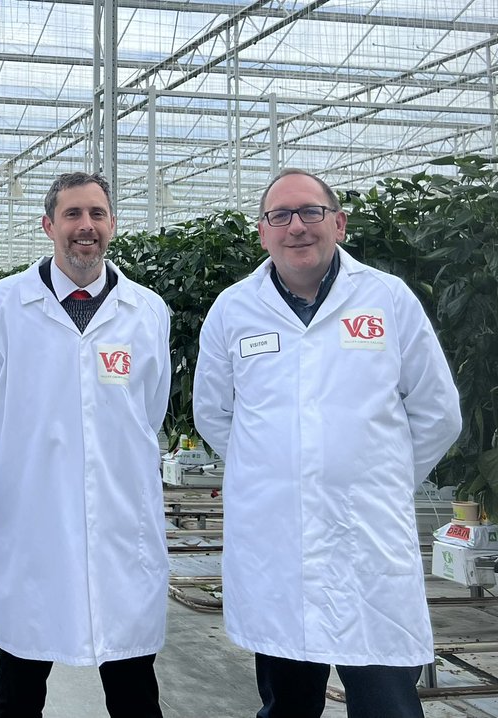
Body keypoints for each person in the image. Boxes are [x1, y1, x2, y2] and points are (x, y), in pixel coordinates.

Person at [193, 168, 462, 718]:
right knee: (288, 705)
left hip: (368, 546)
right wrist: (279, 471)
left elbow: (438, 412)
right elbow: (215, 414)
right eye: (281, 216)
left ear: (338, 223)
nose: (297, 227)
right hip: (279, 548)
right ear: (262, 232)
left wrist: (376, 478)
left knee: (387, 705)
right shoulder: (233, 310)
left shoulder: (387, 299)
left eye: (311, 213)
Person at [0, 171, 170, 718]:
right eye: (72, 215)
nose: (86, 227)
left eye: (97, 215)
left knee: (133, 684)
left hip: (120, 516)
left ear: (112, 224)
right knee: (20, 683)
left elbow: (148, 410)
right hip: (35, 519)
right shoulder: (7, 303)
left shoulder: (147, 309)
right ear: (48, 225)